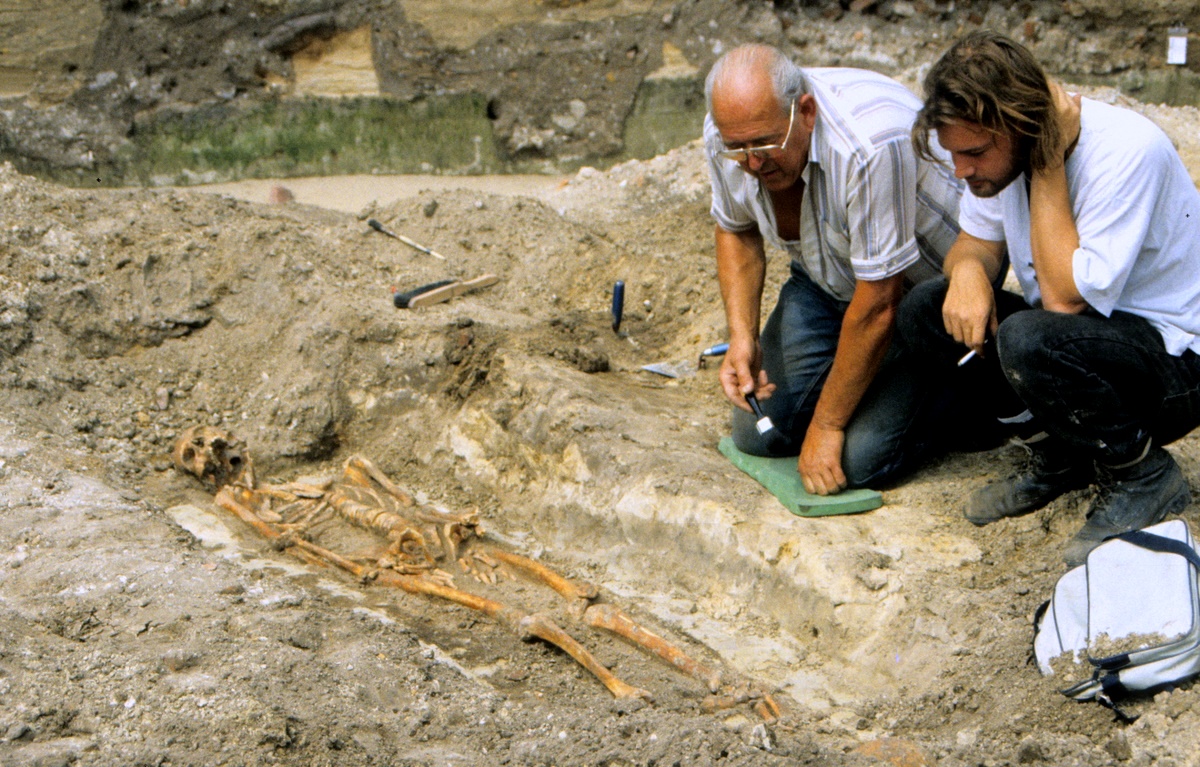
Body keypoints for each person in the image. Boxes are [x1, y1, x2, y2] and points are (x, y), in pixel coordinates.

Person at [898, 30, 1200, 565]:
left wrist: (1048, 162)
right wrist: (968, 270)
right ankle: (1058, 456)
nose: (962, 172)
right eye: (954, 155)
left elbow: (1064, 300)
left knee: (1030, 335)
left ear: (1022, 125)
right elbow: (975, 243)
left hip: (1176, 363)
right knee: (928, 309)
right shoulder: (1001, 159)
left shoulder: (1126, 149)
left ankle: (1143, 475)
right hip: (1088, 350)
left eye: (974, 153)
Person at [703, 44, 964, 495]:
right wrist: (742, 336)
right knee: (761, 432)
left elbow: (880, 301)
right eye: (738, 149)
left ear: (805, 112)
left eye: (764, 145)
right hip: (830, 277)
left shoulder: (868, 144)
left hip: (928, 297)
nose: (752, 162)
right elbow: (735, 229)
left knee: (854, 463)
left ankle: (972, 382)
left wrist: (827, 423)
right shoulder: (731, 132)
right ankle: (877, 374)